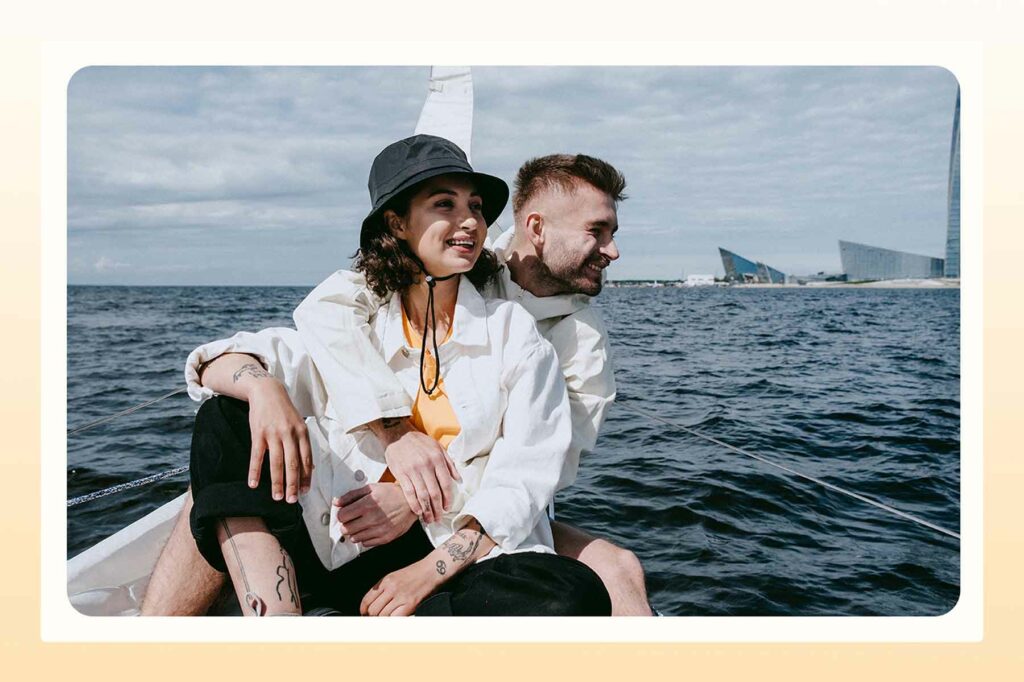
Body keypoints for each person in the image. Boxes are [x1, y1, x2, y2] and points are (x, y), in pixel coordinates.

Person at [141, 148, 649, 616]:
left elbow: (540, 466)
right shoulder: (399, 294)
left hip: (463, 525)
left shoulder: (560, 339)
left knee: (585, 582)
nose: (614, 251)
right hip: (351, 523)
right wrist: (268, 390)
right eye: (598, 231)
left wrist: (419, 500)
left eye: (474, 208)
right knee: (231, 422)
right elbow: (313, 317)